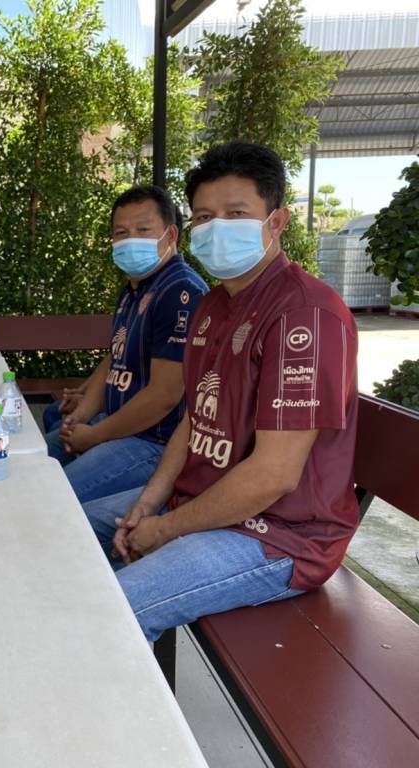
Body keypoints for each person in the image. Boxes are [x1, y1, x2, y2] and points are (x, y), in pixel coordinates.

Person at [82, 142, 360, 641]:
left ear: (277, 222)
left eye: (236, 214)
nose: (217, 229)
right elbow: (195, 420)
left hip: (280, 535)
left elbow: (273, 475)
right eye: (205, 217)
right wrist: (149, 502)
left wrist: (164, 529)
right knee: (67, 532)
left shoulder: (305, 315)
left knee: (108, 615)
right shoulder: (213, 306)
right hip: (201, 501)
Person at [44, 186, 207, 503]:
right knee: (30, 461)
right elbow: (115, 358)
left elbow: (163, 397)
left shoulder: (180, 292)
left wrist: (93, 435)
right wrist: (82, 416)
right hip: (116, 425)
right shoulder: (135, 288)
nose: (131, 240)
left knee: (53, 498)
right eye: (121, 233)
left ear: (171, 234)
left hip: (152, 442)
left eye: (143, 230)